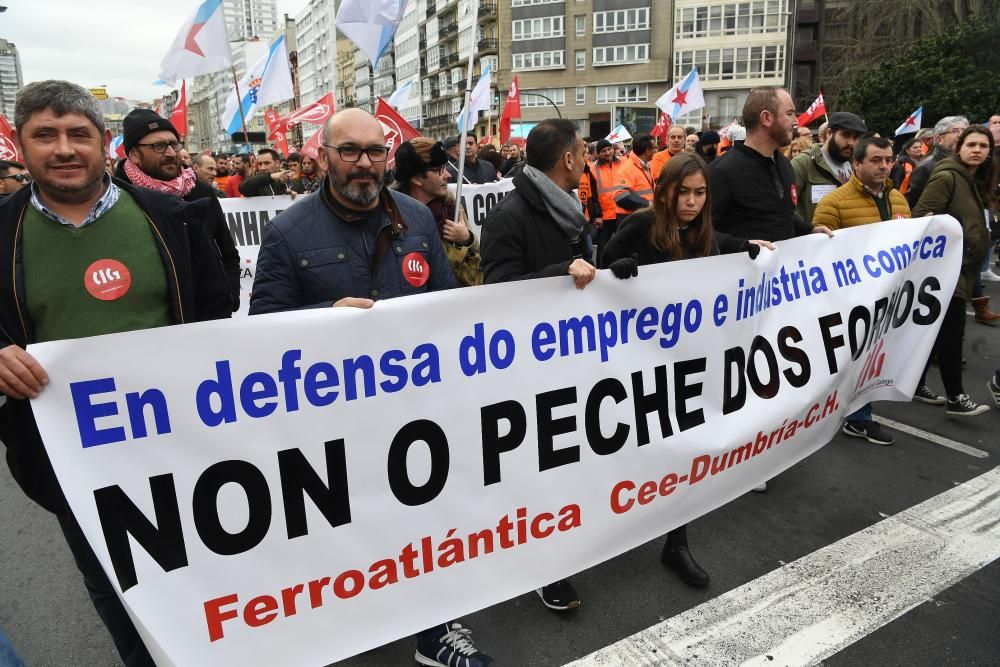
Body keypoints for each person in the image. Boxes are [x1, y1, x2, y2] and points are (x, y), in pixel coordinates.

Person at [0, 79, 232, 667]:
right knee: (114, 580)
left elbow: (216, 306)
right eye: (44, 136)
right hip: (69, 456)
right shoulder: (2, 231)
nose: (63, 149)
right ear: (21, 146)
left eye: (79, 134)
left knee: (211, 558)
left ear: (105, 143)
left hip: (181, 438)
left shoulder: (169, 216)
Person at [248, 109, 491, 666]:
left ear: (388, 156)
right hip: (335, 419)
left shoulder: (417, 217)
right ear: (323, 158)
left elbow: (444, 300)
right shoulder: (289, 232)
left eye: (375, 152)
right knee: (354, 523)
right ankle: (348, 618)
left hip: (415, 406)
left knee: (425, 515)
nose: (364, 163)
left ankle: (436, 630)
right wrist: (323, 319)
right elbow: (262, 332)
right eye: (349, 151)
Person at [601, 152, 768, 588]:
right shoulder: (639, 228)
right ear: (665, 192)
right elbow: (598, 275)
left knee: (685, 450)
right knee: (636, 453)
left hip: (688, 363)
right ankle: (609, 531)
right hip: (636, 364)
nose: (692, 202)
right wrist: (616, 273)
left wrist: (752, 248)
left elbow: (724, 245)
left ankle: (677, 541)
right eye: (684, 192)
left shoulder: (703, 232)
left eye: (700, 194)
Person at [481, 118, 595, 611]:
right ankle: (542, 567)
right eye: (583, 150)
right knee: (538, 469)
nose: (587, 157)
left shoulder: (567, 209)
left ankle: (566, 540)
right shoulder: (510, 216)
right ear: (567, 158)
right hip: (530, 366)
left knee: (570, 463)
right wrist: (559, 273)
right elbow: (499, 289)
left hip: (571, 356)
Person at [711, 87, 833, 491]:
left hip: (782, 291)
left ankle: (765, 446)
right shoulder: (725, 171)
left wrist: (808, 229)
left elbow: (783, 219)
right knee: (742, 376)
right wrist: (741, 247)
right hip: (741, 296)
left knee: (773, 371)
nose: (796, 120)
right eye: (790, 112)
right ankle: (740, 457)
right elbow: (703, 231)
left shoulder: (783, 167)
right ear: (766, 118)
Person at [812, 135, 913, 445]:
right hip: (849, 301)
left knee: (871, 357)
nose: (884, 166)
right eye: (876, 161)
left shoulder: (898, 200)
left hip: (888, 299)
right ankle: (854, 416)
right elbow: (817, 253)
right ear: (856, 163)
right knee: (848, 358)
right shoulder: (835, 202)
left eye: (888, 160)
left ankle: (857, 414)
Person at [114, 108, 241, 311]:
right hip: (154, 324)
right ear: (134, 154)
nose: (171, 153)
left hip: (210, 319)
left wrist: (230, 295)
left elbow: (227, 250)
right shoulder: (118, 198)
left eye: (173, 144)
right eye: (159, 146)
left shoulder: (202, 193)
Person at [912, 126, 997, 415]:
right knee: (952, 333)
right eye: (971, 144)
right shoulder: (948, 176)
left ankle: (917, 384)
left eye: (983, 146)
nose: (977, 150)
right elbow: (922, 216)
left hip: (965, 269)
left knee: (936, 333)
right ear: (958, 147)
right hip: (946, 270)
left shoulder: (975, 181)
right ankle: (956, 397)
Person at [393, 137, 482, 286]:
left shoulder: (452, 210)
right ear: (417, 179)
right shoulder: (394, 218)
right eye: (438, 170)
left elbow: (476, 279)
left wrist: (467, 240)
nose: (448, 175)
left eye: (445, 168)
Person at [791, 111, 868, 223]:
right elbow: (786, 208)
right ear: (829, 133)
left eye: (855, 137)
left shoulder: (854, 166)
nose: (851, 142)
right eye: (845, 135)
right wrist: (807, 230)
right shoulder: (803, 163)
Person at [905, 115, 969, 208]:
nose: (961, 134)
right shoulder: (926, 168)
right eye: (955, 130)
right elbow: (913, 204)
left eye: (964, 130)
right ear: (939, 139)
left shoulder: (970, 163)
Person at [619, 134, 656, 208]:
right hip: (631, 216)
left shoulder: (645, 165)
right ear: (647, 151)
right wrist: (648, 204)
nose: (656, 150)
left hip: (643, 213)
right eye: (655, 148)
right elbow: (621, 197)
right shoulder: (627, 168)